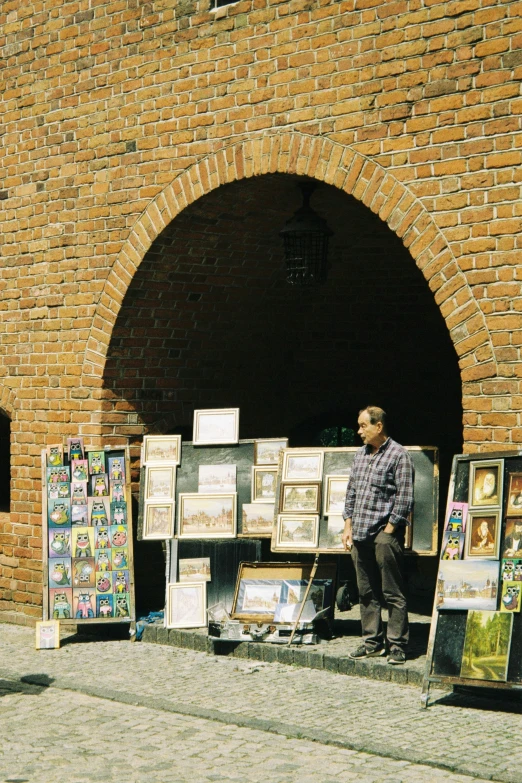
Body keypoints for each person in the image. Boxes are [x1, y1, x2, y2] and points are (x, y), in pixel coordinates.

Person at [342, 406, 414, 665]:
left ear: (378, 426)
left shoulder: (399, 455)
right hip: (359, 534)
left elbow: (405, 497)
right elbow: (350, 492)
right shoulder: (360, 455)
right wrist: (347, 525)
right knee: (366, 592)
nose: (359, 431)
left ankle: (397, 644)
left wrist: (389, 531)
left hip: (385, 535)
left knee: (392, 591)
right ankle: (372, 642)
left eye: (363, 426)